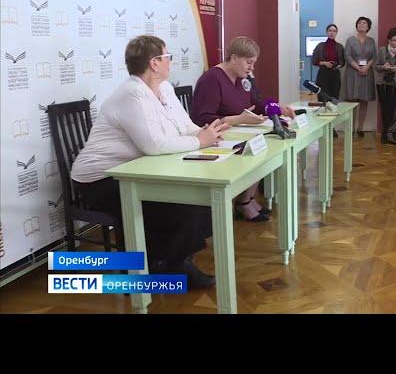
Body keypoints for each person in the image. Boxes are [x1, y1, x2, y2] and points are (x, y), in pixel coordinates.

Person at [71, 35, 228, 288]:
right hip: (99, 180)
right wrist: (200, 141)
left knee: (199, 198)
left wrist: (207, 132)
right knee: (186, 206)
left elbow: (185, 126)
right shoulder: (132, 94)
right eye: (168, 57)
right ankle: (172, 265)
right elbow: (155, 145)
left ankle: (165, 259)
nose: (170, 62)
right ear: (154, 63)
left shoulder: (164, 88)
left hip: (134, 170)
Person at [191, 36, 296, 221]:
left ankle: (247, 198)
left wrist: (277, 107)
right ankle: (243, 202)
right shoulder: (212, 79)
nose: (251, 68)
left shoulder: (242, 79)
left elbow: (257, 103)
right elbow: (202, 118)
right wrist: (237, 120)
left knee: (264, 146)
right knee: (257, 150)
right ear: (233, 58)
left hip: (235, 135)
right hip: (215, 140)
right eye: (248, 62)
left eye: (253, 63)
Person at [343, 16, 377, 137]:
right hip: (353, 73)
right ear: (356, 26)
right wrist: (358, 67)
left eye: (364, 23)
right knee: (352, 102)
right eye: (360, 23)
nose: (362, 24)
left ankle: (360, 128)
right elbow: (347, 56)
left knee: (364, 100)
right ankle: (351, 128)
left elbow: (374, 56)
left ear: (368, 27)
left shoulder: (371, 41)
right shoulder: (350, 40)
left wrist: (367, 67)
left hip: (367, 73)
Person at [374, 27, 396, 143]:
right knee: (384, 107)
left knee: (392, 107)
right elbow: (376, 66)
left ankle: (388, 131)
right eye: (391, 40)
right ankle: (385, 131)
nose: (393, 43)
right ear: (388, 40)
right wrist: (384, 67)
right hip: (382, 82)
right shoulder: (382, 50)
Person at [312, 23, 345, 137]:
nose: (332, 32)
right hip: (323, 75)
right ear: (327, 32)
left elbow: (343, 62)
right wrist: (325, 63)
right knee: (323, 99)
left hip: (335, 76)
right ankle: (324, 127)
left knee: (333, 100)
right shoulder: (320, 46)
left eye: (334, 31)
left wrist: (336, 65)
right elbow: (314, 60)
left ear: (336, 33)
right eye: (330, 30)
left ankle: (332, 127)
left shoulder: (340, 47)